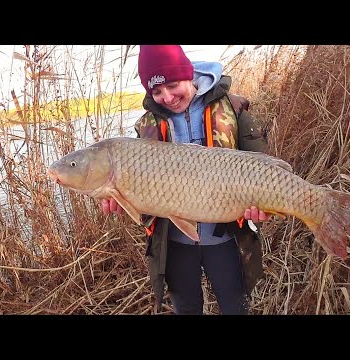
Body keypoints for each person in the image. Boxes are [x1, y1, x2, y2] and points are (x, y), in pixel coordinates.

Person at [101, 45, 270, 315]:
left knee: (236, 306)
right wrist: (122, 197)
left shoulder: (233, 108)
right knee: (186, 309)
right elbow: (142, 188)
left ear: (188, 75)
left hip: (225, 238)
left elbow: (261, 167)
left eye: (172, 85)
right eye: (156, 92)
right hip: (175, 244)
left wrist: (263, 206)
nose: (166, 97)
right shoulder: (146, 128)